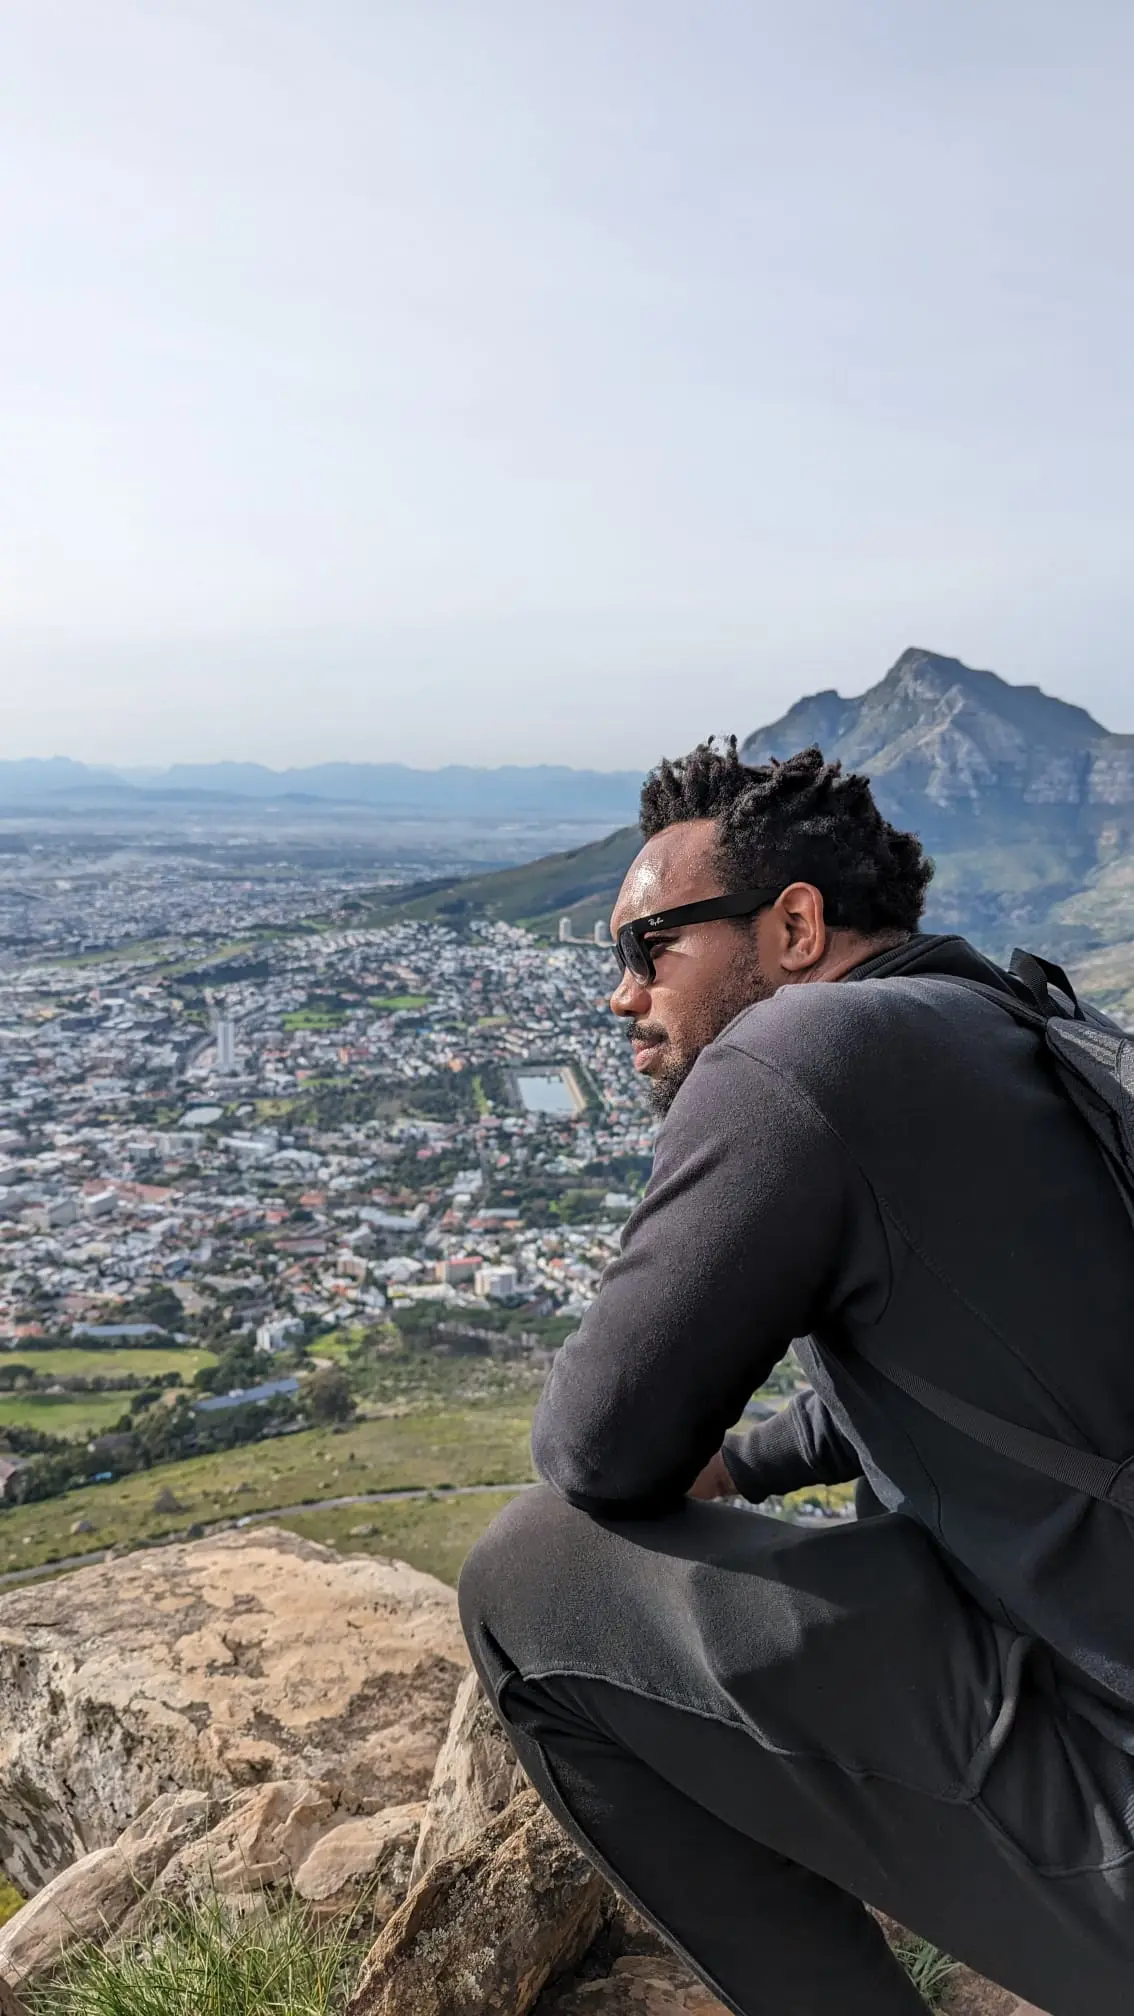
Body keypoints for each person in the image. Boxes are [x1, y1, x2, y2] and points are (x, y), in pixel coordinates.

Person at [458, 740, 1134, 2016]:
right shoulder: (1010, 1022)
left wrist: (687, 1456)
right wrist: (752, 1457)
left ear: (796, 926)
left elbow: (598, 1447)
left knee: (528, 1579)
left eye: (649, 945)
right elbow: (983, 1366)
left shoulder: (793, 1057)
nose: (623, 995)